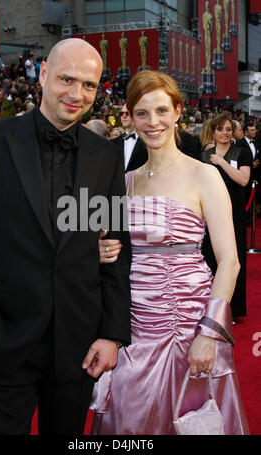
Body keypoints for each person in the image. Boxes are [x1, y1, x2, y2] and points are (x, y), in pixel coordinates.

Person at [0, 38, 131, 435]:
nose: (77, 94)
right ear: (43, 76)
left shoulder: (106, 155)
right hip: (2, 337)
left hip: (78, 343)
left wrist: (111, 333)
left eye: (89, 85)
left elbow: (116, 246)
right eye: (67, 80)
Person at [91, 70, 249, 435]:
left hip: (189, 325)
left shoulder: (204, 175)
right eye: (142, 113)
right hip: (132, 325)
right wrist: (96, 249)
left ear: (178, 112)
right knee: (131, 420)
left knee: (192, 420)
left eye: (162, 110)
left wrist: (209, 333)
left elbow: (229, 261)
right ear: (129, 116)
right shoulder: (124, 181)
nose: (153, 122)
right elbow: (96, 239)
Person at [201, 113, 251, 321]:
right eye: (220, 129)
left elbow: (243, 180)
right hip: (208, 215)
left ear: (233, 133)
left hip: (234, 214)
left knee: (232, 259)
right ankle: (208, 308)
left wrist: (221, 162)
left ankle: (231, 309)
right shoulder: (204, 155)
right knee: (209, 259)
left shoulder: (241, 152)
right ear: (213, 132)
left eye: (228, 129)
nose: (224, 133)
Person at [112, 103, 147, 172]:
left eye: (127, 113)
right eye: (122, 113)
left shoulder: (147, 142)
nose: (124, 116)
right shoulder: (113, 143)